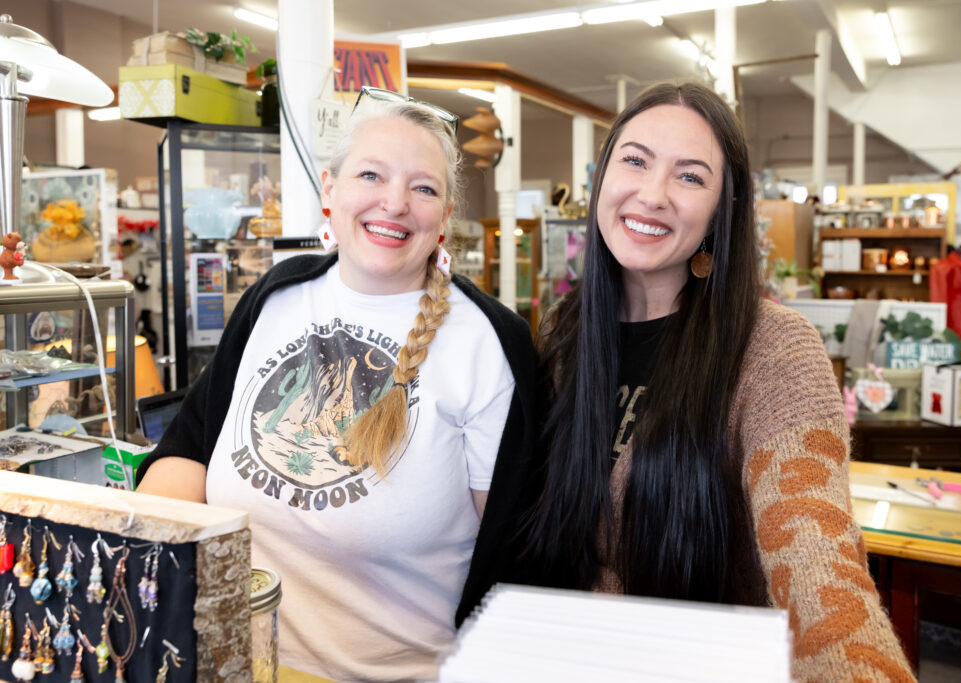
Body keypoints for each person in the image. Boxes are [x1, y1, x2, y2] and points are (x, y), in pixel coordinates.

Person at [136, 88, 537, 681]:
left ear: (445, 216)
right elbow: (189, 450)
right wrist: (137, 558)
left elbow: (514, 551)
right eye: (371, 175)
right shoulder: (274, 296)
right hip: (232, 664)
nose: (394, 203)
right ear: (330, 189)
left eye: (423, 188)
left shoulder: (488, 342)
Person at [521, 82, 914, 682]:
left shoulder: (774, 350)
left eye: (690, 176)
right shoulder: (564, 335)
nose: (652, 194)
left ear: (721, 210)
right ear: (602, 179)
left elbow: (815, 557)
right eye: (635, 161)